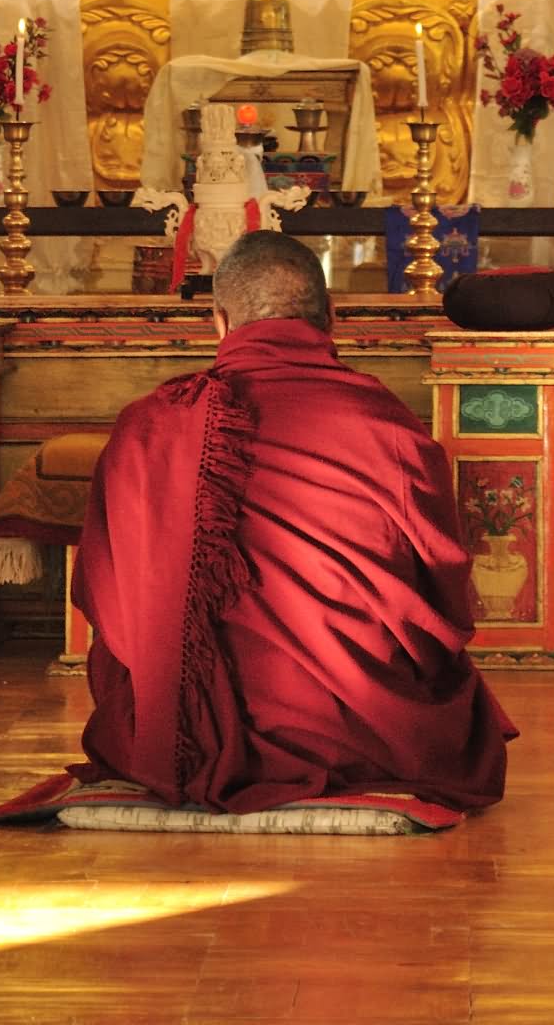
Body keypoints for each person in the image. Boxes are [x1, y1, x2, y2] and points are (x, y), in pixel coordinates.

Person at [71, 230, 515, 814]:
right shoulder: (385, 423)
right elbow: (442, 587)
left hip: (181, 740)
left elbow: (102, 590)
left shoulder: (152, 425)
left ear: (220, 322)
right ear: (333, 317)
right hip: (362, 733)